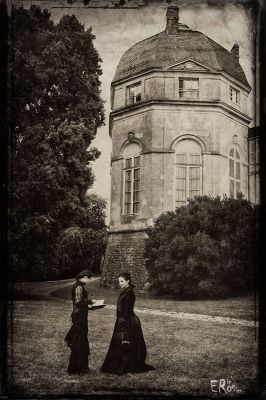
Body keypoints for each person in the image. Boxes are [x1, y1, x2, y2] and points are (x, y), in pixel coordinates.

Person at [101, 271, 154, 375]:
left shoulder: (129, 293)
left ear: (128, 281)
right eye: (119, 281)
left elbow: (127, 311)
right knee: (119, 343)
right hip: (122, 319)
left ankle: (124, 364)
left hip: (127, 321)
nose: (120, 283)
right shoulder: (125, 290)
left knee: (123, 342)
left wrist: (123, 324)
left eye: (122, 281)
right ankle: (120, 362)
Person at [64, 269, 95, 374]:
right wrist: (90, 302)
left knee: (81, 339)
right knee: (79, 340)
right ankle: (75, 368)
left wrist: (89, 305)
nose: (89, 280)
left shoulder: (78, 285)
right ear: (85, 277)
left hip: (79, 315)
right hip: (79, 316)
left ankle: (81, 367)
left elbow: (79, 302)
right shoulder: (78, 286)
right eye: (89, 278)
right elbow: (78, 302)